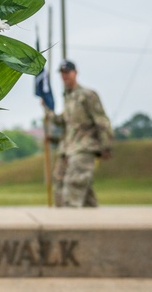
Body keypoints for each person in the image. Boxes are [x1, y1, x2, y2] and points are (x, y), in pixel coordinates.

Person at [47, 60, 113, 207]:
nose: (65, 76)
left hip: (84, 147)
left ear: (75, 73)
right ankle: (92, 222)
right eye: (62, 73)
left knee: (73, 185)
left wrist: (106, 146)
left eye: (68, 72)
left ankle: (69, 224)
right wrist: (48, 110)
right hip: (68, 149)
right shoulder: (69, 98)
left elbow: (101, 121)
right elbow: (64, 121)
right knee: (60, 182)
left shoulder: (87, 95)